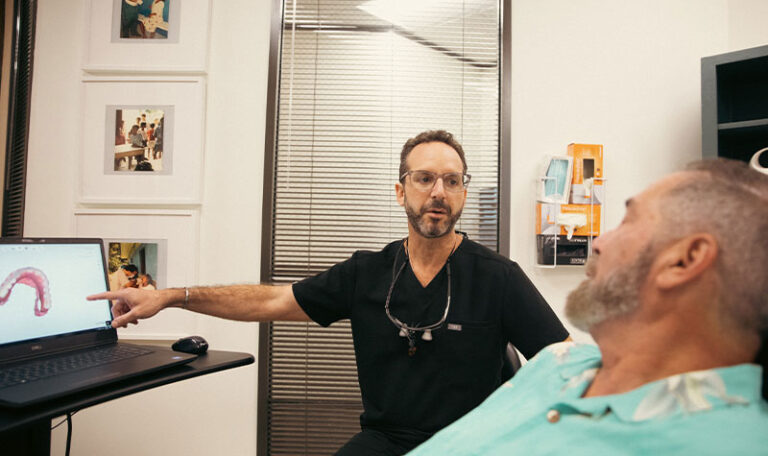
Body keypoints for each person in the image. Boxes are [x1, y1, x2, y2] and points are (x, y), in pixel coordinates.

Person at [88, 130, 569, 454]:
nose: (438, 191)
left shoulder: (498, 277)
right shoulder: (367, 273)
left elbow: (563, 362)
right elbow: (273, 300)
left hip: (470, 443)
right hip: (385, 440)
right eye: (424, 178)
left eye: (452, 180)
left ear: (464, 193)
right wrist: (173, 295)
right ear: (401, 191)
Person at [408, 158, 768, 455]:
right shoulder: (559, 363)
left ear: (684, 260)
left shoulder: (724, 442)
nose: (597, 242)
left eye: (627, 222)